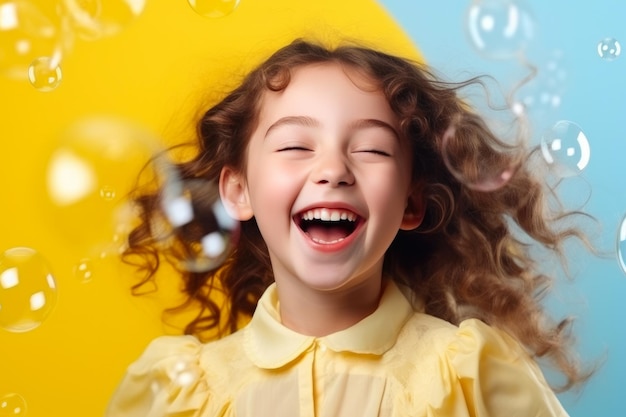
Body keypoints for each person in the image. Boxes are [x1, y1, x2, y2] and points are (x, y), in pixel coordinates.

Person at [105, 39, 593, 416]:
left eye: (372, 149)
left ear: (411, 201)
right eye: (296, 145)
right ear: (238, 190)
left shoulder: (471, 374)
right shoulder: (177, 393)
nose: (333, 169)